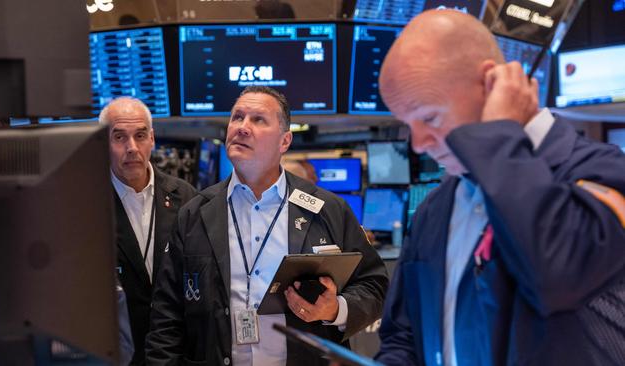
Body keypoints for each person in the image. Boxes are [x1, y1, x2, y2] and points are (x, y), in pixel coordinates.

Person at [375, 9, 625, 366]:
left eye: (429, 117)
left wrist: (497, 137)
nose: (417, 143)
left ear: (493, 86)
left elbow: (554, 274)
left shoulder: (605, 172)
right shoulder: (435, 208)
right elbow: (406, 334)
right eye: (406, 124)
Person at [146, 86, 388, 365]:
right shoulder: (195, 213)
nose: (242, 127)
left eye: (258, 120)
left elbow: (374, 284)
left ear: (284, 141)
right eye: (237, 117)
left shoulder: (327, 209)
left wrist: (337, 309)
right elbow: (166, 317)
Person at [99, 97, 197, 365]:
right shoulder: (87, 203)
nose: (132, 148)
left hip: (175, 352)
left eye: (140, 135)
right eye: (119, 137)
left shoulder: (186, 197)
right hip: (116, 352)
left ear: (152, 139)